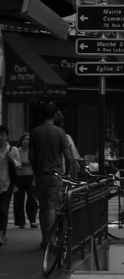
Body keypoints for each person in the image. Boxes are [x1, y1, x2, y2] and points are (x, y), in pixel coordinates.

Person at [28, 102, 75, 250]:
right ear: (55, 115)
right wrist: (67, 172)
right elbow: (68, 156)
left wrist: (36, 168)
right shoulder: (59, 132)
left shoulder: (35, 132)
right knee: (52, 206)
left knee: (43, 207)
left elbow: (31, 156)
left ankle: (44, 239)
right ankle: (51, 239)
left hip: (40, 174)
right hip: (55, 174)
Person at [0, 127, 22, 247]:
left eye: (2, 135)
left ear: (6, 136)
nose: (0, 137)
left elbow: (19, 165)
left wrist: (11, 160)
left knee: (3, 209)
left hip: (8, 183)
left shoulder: (12, 149)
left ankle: (2, 234)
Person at [12, 132, 38, 230]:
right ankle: (20, 222)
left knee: (32, 199)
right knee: (18, 199)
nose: (25, 141)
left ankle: (32, 220)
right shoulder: (16, 150)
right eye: (24, 139)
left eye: (27, 139)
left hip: (30, 176)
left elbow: (36, 165)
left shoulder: (33, 151)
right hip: (19, 177)